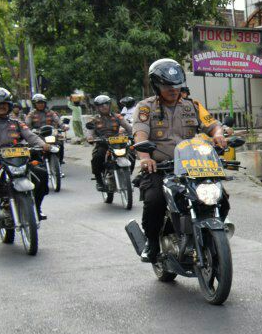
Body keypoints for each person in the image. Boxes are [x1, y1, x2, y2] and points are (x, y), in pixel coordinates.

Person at [132, 60, 227, 262]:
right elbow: (140, 135)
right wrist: (145, 158)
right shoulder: (145, 108)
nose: (173, 90)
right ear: (156, 86)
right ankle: (152, 242)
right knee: (154, 200)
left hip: (191, 168)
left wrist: (218, 135)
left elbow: (213, 126)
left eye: (176, 85)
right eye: (167, 86)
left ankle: (211, 233)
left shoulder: (192, 106)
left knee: (221, 196)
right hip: (161, 168)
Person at [0, 87, 50, 224]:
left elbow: (30, 136)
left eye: (4, 104)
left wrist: (43, 144)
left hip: (19, 160)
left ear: (9, 106)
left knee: (41, 174)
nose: (2, 107)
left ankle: (36, 207)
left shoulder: (17, 123)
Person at [86, 94, 131, 186]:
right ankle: (99, 181)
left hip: (117, 142)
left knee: (132, 155)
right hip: (102, 144)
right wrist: (90, 138)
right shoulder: (93, 119)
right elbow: (89, 132)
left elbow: (129, 128)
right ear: (97, 107)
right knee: (97, 158)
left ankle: (127, 174)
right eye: (101, 105)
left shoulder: (118, 117)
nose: (104, 107)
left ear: (110, 105)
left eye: (106, 104)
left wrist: (133, 134)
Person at [25, 93, 64, 162]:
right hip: (38, 135)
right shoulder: (31, 114)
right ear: (35, 104)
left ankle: (60, 160)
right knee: (31, 148)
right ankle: (34, 163)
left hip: (50, 134)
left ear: (45, 103)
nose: (40, 104)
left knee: (60, 143)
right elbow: (27, 123)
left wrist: (63, 126)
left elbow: (57, 120)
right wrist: (28, 129)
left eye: (42, 103)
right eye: (38, 103)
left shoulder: (51, 112)